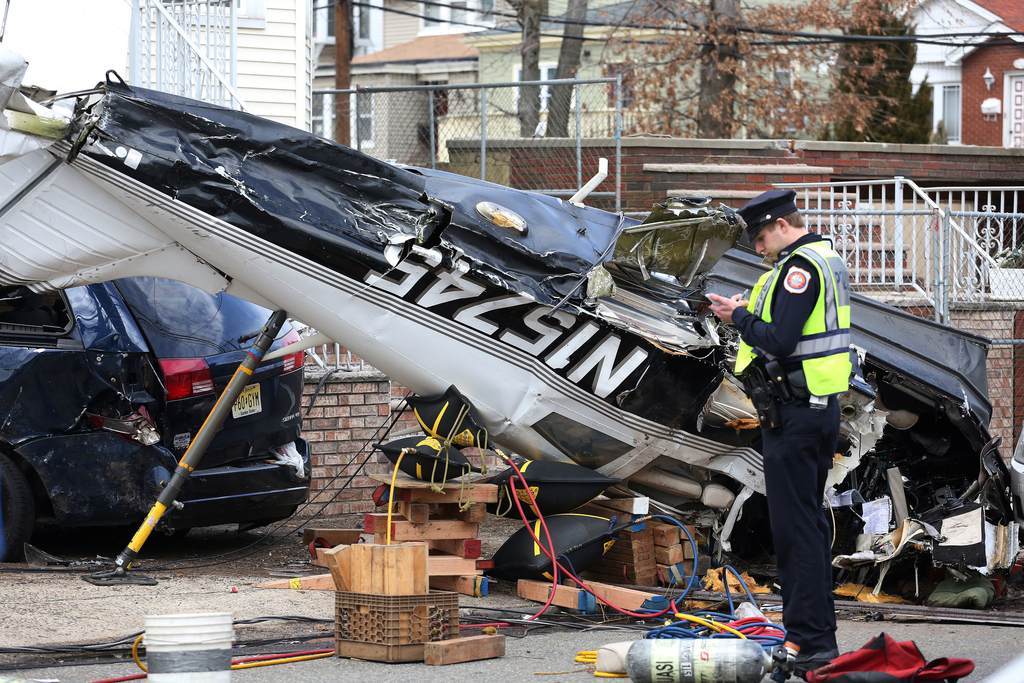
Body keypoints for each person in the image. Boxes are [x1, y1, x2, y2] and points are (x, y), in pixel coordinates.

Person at [708, 189, 851, 679]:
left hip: (795, 415)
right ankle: (815, 639)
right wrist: (751, 313)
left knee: (795, 533)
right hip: (813, 410)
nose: (758, 247)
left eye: (761, 236)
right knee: (807, 526)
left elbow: (779, 339)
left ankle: (810, 644)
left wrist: (738, 317)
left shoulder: (799, 268)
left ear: (782, 225)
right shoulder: (822, 258)